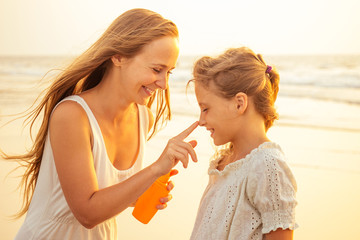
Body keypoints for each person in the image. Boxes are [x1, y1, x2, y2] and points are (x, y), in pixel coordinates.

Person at [1, 8, 199, 240]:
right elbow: (87, 212)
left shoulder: (143, 117)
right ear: (118, 57)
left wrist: (144, 191)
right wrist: (154, 169)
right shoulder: (72, 115)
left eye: (169, 72)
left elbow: (107, 193)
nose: (164, 84)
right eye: (157, 69)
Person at [189, 47, 298, 240]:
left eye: (205, 108)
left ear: (239, 103)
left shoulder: (268, 166)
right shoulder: (224, 162)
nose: (201, 120)